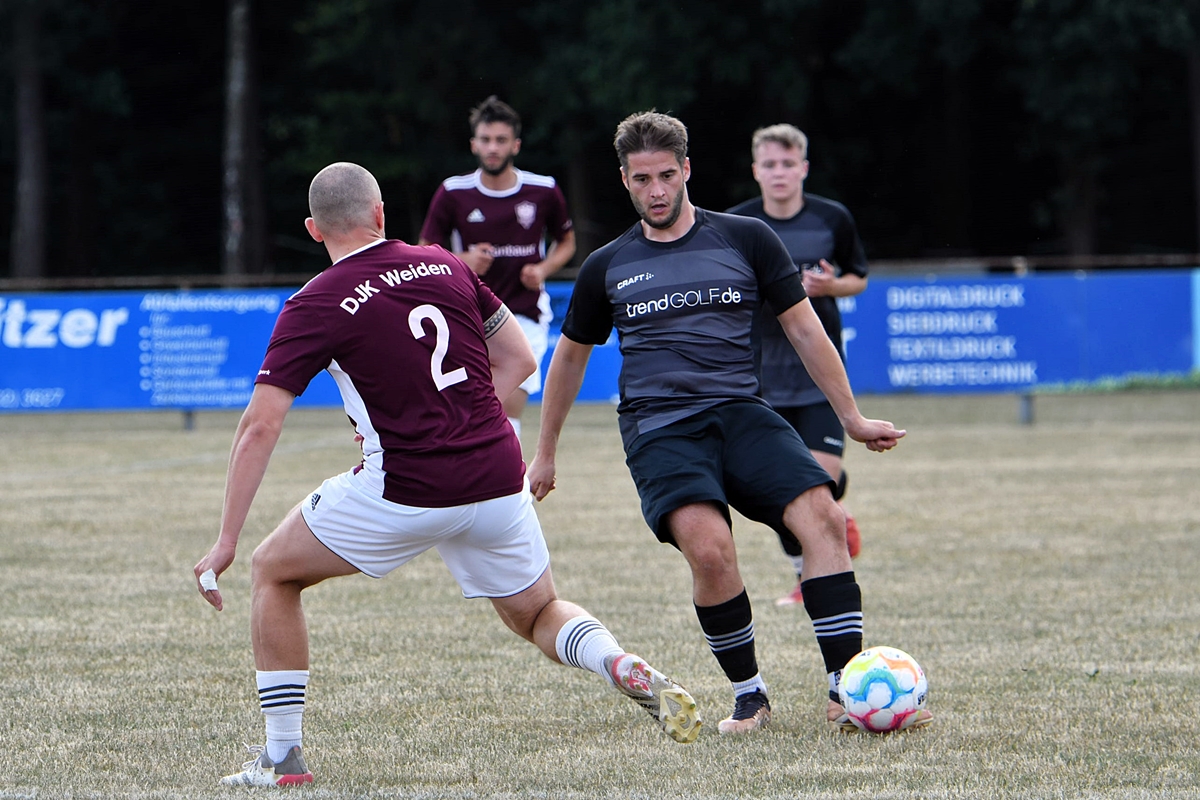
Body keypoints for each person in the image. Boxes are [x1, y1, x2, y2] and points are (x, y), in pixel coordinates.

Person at [194, 162, 700, 787]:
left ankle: (282, 758)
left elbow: (260, 426)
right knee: (537, 612)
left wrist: (225, 541)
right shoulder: (447, 264)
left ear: (313, 229)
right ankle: (616, 661)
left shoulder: (315, 301)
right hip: (495, 474)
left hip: (405, 487)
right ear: (381, 215)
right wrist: (460, 418)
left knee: (272, 571)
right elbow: (518, 358)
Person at [528, 112, 929, 735]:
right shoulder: (607, 265)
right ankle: (750, 696)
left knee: (824, 517)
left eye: (666, 175)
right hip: (660, 428)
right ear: (625, 182)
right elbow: (570, 358)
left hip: (743, 413)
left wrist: (850, 417)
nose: (656, 191)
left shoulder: (746, 238)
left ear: (687, 170)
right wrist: (545, 452)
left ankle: (845, 688)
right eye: (642, 180)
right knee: (710, 550)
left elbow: (804, 327)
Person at [726, 124, 869, 607]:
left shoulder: (833, 218)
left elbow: (859, 279)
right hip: (761, 377)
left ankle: (828, 535)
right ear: (755, 172)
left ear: (803, 168)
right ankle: (803, 578)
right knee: (783, 489)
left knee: (818, 480)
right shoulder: (738, 226)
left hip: (818, 374)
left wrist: (832, 287)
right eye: (770, 165)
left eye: (788, 164)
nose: (779, 173)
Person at [419, 95, 576, 441]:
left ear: (515, 145)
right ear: (474, 144)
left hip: (524, 314)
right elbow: (424, 251)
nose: (493, 148)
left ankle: (507, 490)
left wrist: (544, 269)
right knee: (472, 408)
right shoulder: (452, 192)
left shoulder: (543, 190)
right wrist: (464, 261)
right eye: (486, 140)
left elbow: (567, 242)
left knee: (506, 406)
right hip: (466, 315)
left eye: (501, 140)